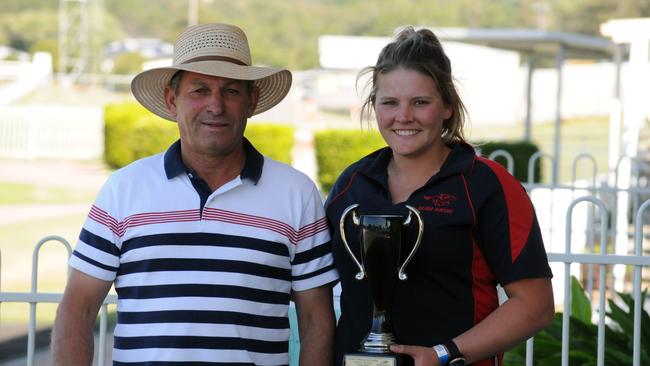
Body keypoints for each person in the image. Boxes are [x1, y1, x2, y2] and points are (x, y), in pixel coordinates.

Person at [52, 23, 338, 366]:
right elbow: (77, 308)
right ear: (173, 101)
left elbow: (316, 320)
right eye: (200, 89)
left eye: (231, 91)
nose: (215, 106)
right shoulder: (124, 189)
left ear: (252, 100)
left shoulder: (296, 193)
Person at [325, 26, 554, 366]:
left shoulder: (487, 185)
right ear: (374, 106)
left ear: (447, 106)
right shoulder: (351, 184)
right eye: (390, 103)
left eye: (420, 102)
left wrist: (445, 354)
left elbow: (535, 305)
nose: (403, 116)